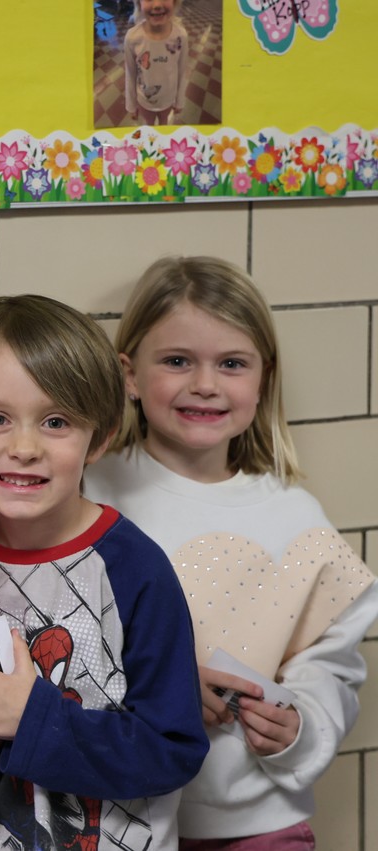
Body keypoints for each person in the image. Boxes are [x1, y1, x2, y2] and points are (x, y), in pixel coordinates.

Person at [85, 255, 378, 849]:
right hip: (122, 817)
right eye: (176, 361)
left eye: (232, 364)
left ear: (264, 377)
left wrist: (300, 726)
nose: (206, 384)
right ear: (130, 374)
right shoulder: (90, 493)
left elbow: (332, 662)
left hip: (260, 822)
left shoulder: (296, 518)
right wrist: (160, 684)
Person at [0, 294, 208, 850]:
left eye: (56, 422)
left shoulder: (134, 570)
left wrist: (29, 719)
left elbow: (173, 749)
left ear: (99, 437)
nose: (24, 447)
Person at [124, 0, 188, 126]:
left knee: (164, 124)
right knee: (148, 126)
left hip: (168, 100)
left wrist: (179, 101)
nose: (157, 5)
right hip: (145, 101)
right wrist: (131, 105)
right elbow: (130, 74)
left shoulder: (181, 36)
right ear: (138, 3)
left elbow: (182, 71)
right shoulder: (132, 38)